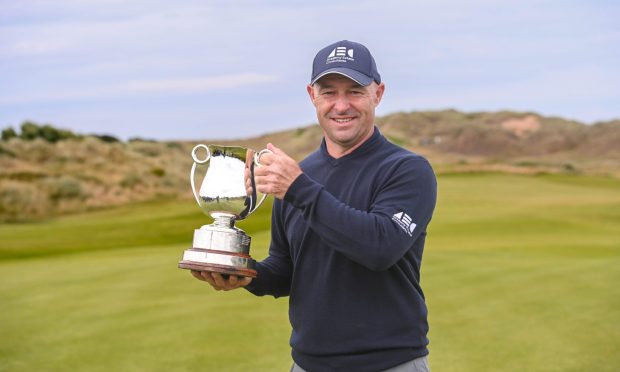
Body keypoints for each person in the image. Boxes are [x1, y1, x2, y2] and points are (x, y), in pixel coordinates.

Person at [191, 40, 437, 372]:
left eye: (355, 91)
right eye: (329, 92)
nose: (341, 105)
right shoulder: (299, 176)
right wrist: (244, 273)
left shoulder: (406, 169)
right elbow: (284, 271)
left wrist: (298, 189)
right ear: (312, 96)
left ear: (378, 94)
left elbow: (380, 247)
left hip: (391, 363)